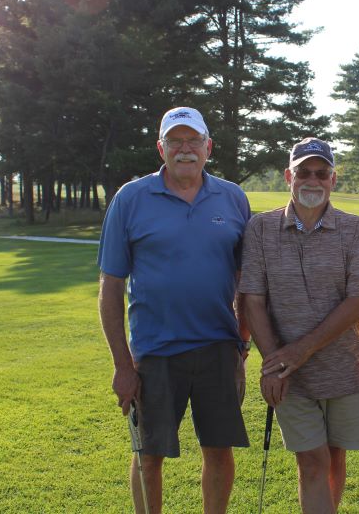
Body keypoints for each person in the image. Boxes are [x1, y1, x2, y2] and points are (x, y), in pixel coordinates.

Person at [97, 106, 251, 514]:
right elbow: (111, 286)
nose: (185, 150)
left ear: (208, 147)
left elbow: (248, 281)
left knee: (219, 451)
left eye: (193, 141)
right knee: (149, 455)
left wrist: (242, 347)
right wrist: (121, 364)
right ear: (160, 148)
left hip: (218, 347)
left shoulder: (233, 197)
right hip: (154, 351)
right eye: (176, 141)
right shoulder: (131, 198)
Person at [240, 137, 359, 514]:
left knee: (334, 458)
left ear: (333, 179)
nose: (312, 180)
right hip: (290, 376)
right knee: (312, 461)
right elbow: (252, 299)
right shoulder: (260, 228)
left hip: (344, 370)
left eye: (321, 173)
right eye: (304, 172)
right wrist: (276, 363)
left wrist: (300, 351)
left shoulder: (353, 229)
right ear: (289, 176)